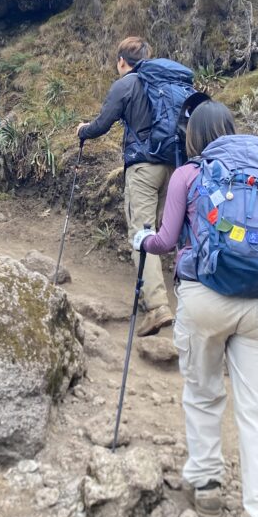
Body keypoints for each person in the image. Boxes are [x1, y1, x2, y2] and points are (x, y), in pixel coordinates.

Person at [133, 101, 258, 517]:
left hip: (204, 298)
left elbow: (166, 240)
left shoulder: (188, 175)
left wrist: (141, 240)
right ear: (231, 131)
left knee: (204, 393)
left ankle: (207, 488)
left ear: (191, 135)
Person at [76, 36, 183, 336]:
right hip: (174, 168)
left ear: (122, 60)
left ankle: (158, 307)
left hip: (144, 169)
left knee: (142, 234)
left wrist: (83, 130)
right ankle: (157, 294)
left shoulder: (126, 84)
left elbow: (102, 124)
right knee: (164, 233)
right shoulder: (167, 83)